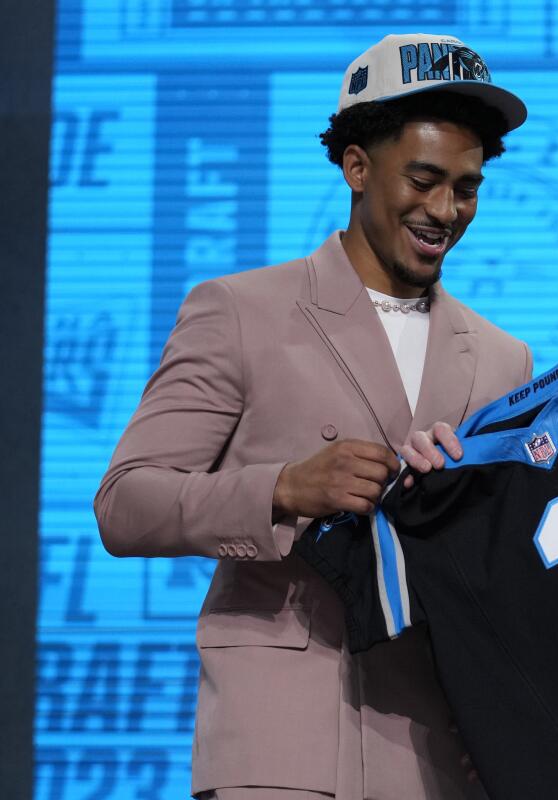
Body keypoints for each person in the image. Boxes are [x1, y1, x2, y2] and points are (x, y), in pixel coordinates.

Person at [94, 33, 532, 800]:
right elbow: (125, 504)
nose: (445, 210)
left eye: (467, 187)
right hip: (282, 749)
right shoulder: (237, 311)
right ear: (356, 166)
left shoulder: (504, 359)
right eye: (424, 179)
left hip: (438, 755)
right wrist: (283, 489)